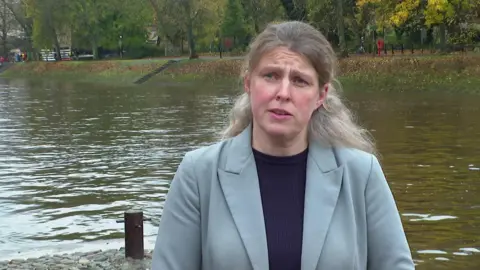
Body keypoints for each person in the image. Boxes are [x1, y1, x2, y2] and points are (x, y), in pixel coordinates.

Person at [151, 21, 415, 270]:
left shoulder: (361, 174)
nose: (283, 93)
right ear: (248, 83)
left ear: (321, 96)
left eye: (300, 81)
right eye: (271, 76)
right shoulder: (198, 175)